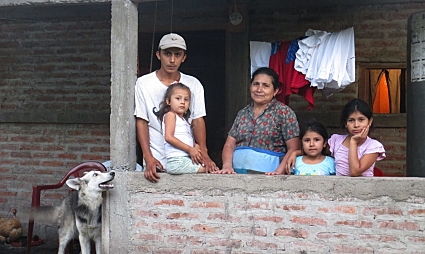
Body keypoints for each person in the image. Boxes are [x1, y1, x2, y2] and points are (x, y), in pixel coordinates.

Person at [134, 33, 218, 182]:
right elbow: (142, 121)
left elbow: (198, 120)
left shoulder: (193, 84)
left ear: (183, 57)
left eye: (177, 55)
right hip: (157, 161)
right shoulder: (143, 83)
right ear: (158, 55)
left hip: (186, 160)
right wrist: (148, 157)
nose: (172, 60)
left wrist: (204, 153)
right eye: (167, 54)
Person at [214, 67, 300, 175]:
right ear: (250, 87)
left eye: (266, 86)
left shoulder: (284, 113)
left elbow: (293, 148)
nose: (259, 90)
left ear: (275, 91)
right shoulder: (242, 113)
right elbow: (229, 145)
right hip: (237, 175)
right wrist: (227, 166)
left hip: (269, 176)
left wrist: (278, 172)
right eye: (256, 84)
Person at [288, 98, 386, 176]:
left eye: (361, 120)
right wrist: (295, 153)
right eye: (351, 120)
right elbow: (316, 149)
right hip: (338, 193)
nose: (356, 125)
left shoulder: (373, 146)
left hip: (362, 193)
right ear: (345, 123)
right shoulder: (336, 141)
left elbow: (355, 171)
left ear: (370, 121)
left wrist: (353, 142)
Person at [157, 83, 206, 174]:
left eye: (186, 99)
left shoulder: (184, 120)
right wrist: (190, 149)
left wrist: (195, 146)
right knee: (206, 170)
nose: (182, 102)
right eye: (178, 98)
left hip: (185, 159)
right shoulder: (170, 115)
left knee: (207, 167)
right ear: (168, 101)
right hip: (177, 161)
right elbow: (169, 137)